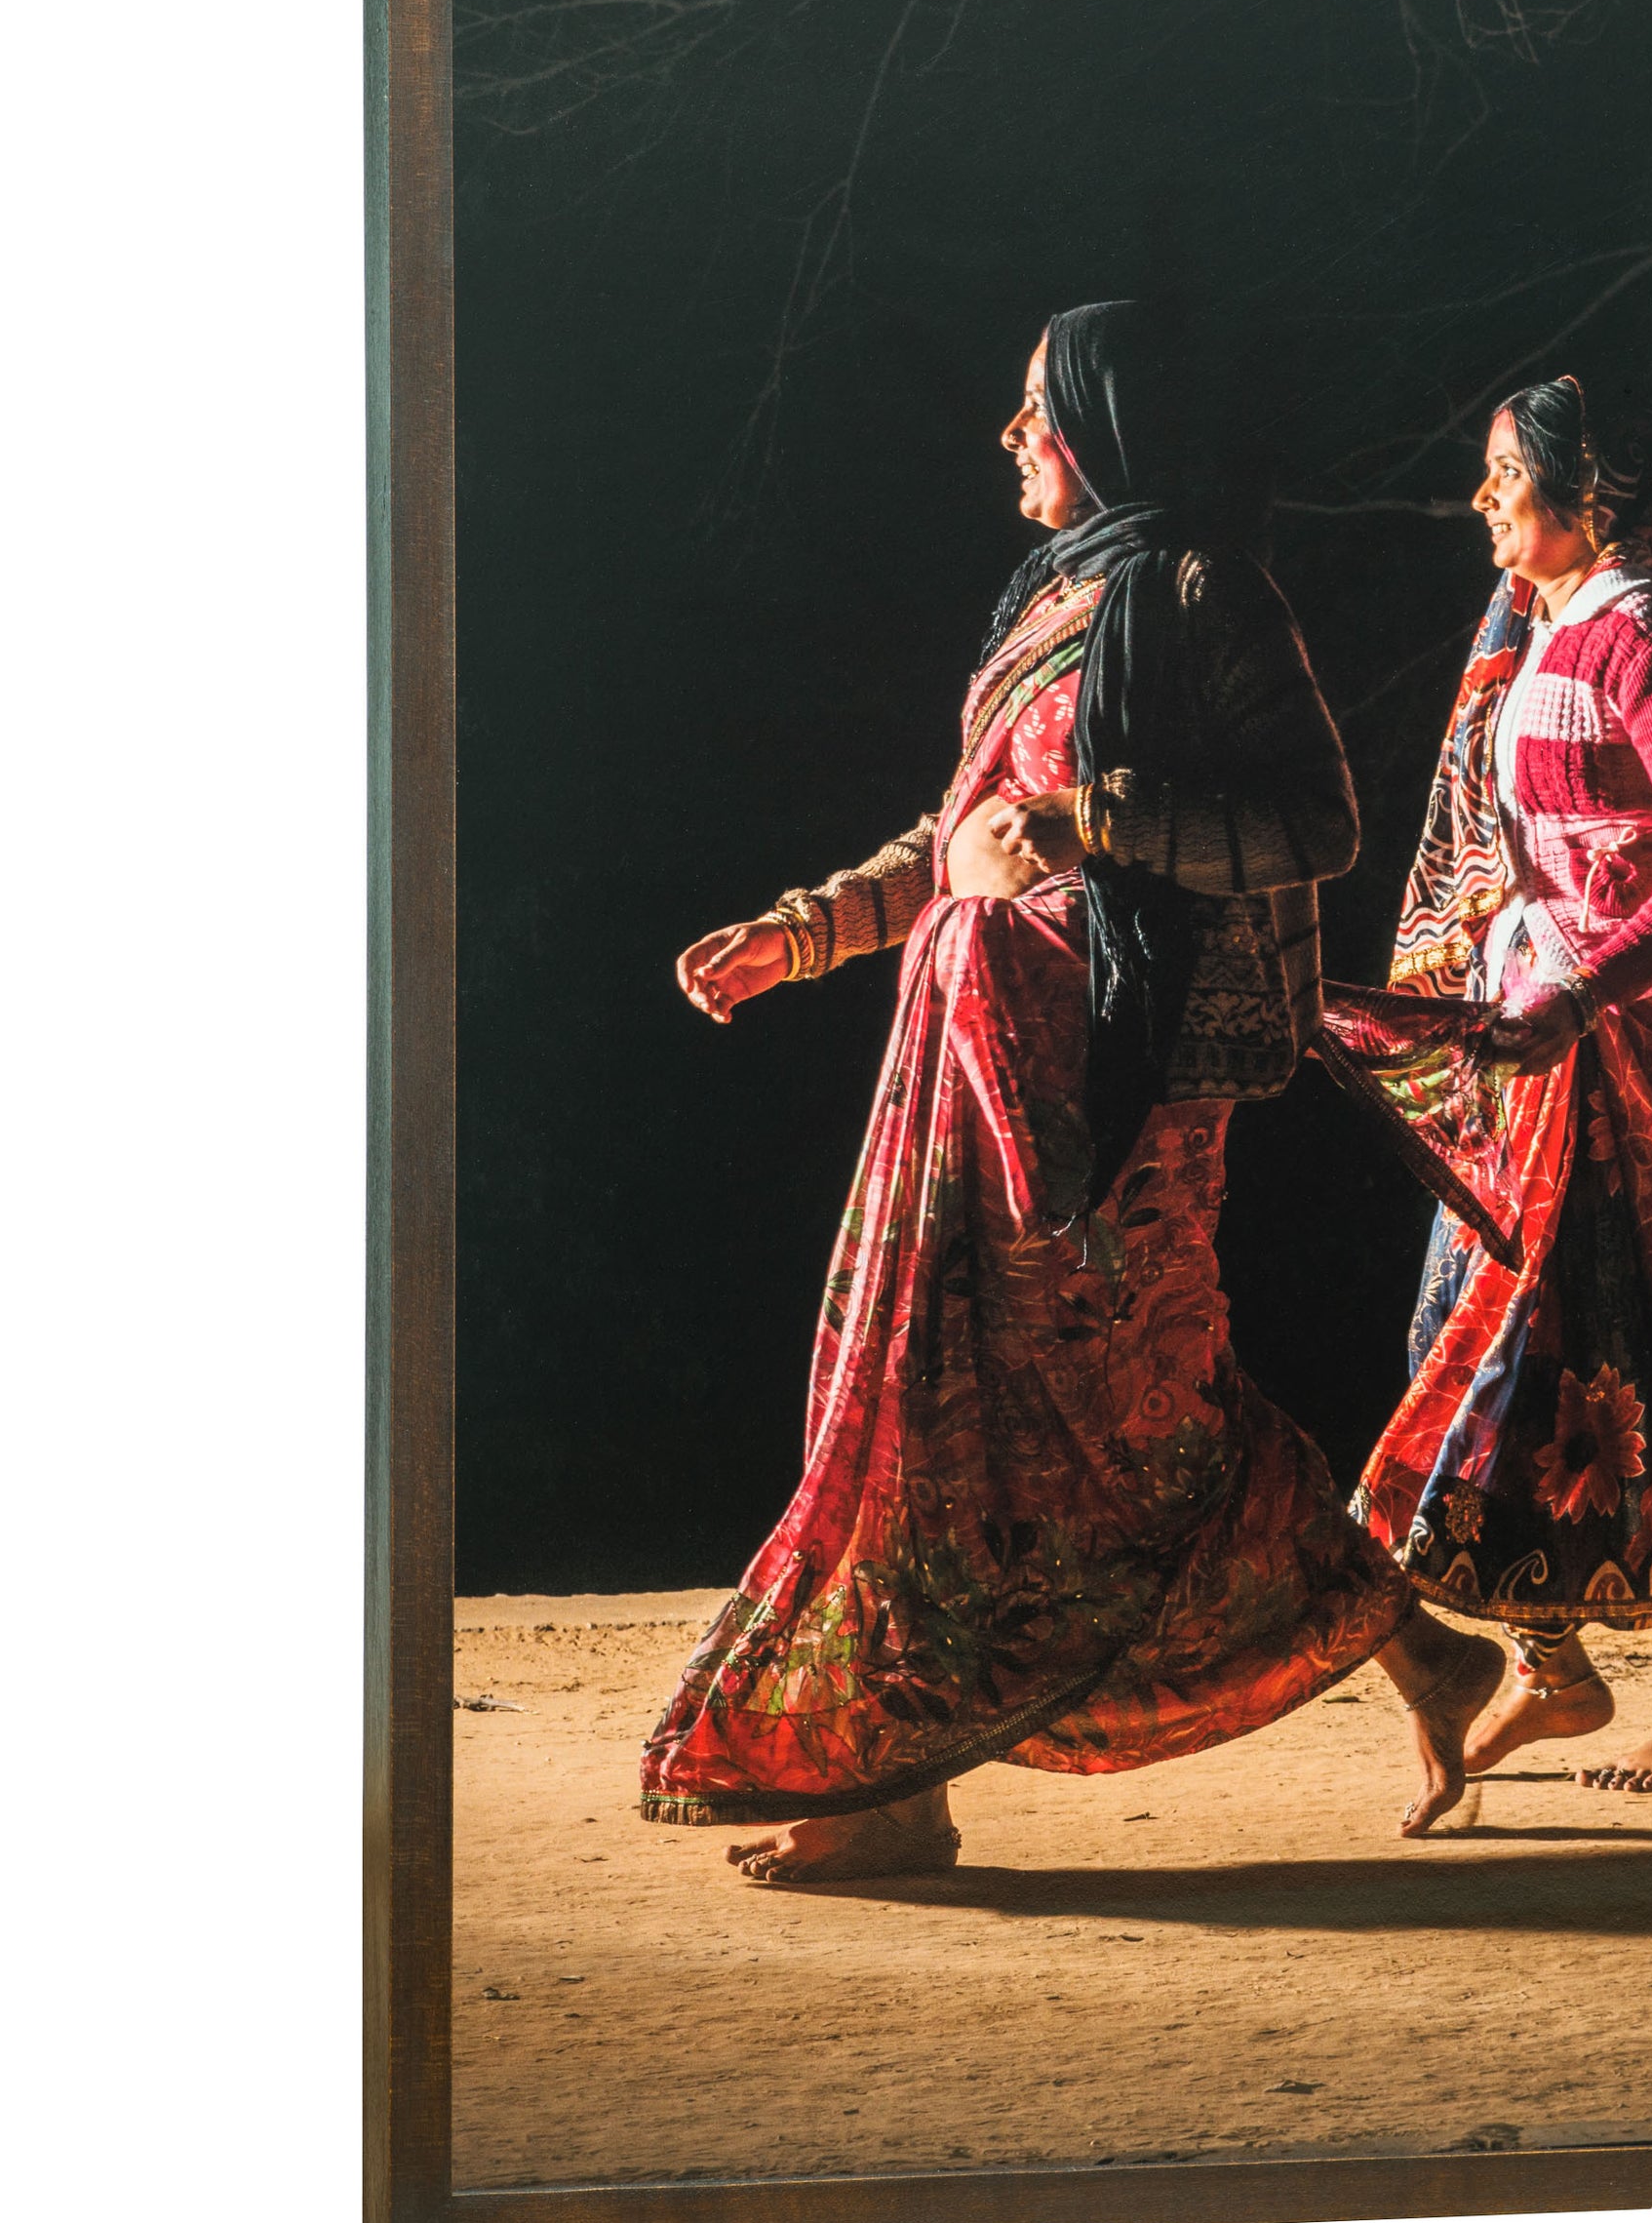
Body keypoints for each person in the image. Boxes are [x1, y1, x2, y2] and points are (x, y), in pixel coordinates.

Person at [638, 302, 1499, 1878]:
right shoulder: (1047, 598)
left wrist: (1097, 817)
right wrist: (804, 933)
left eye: (1038, 407)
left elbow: (1313, 821)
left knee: (1138, 1413)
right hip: (972, 1077)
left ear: (1109, 421)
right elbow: (963, 829)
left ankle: (1389, 1646)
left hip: (1122, 1083)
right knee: (927, 1395)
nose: (1014, 434)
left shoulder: (1202, 589)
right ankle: (902, 1787)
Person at [1344, 378, 1652, 1805]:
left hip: (1646, 1044)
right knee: (1488, 1350)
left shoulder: (1646, 640)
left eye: (1504, 474)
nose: (1483, 498)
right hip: (1548, 1047)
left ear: (1584, 495)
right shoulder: (1544, 634)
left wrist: (1586, 991)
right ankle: (1551, 1667)